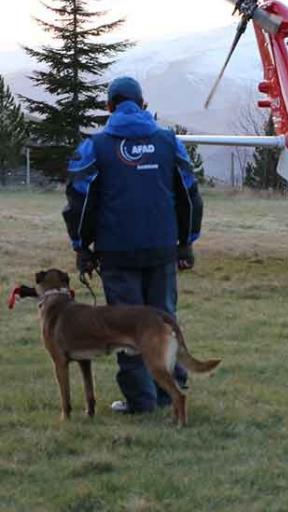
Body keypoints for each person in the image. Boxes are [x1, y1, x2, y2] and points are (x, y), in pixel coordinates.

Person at [62, 76, 204, 414]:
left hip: (116, 252)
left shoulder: (95, 147)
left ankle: (141, 401)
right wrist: (186, 242)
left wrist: (82, 247)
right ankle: (170, 392)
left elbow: (79, 201)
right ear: (142, 105)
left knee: (125, 328)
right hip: (161, 249)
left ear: (110, 107)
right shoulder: (169, 142)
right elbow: (190, 196)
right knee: (161, 321)